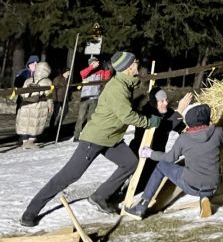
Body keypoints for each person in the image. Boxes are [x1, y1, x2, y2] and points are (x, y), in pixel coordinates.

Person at [21, 51, 162, 227]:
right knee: (68, 176)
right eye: (135, 62)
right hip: (95, 139)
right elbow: (127, 116)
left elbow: (124, 111)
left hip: (111, 138)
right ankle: (30, 213)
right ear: (128, 67)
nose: (138, 64)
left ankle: (100, 197)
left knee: (130, 162)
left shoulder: (126, 84)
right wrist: (149, 122)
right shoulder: (117, 88)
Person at [124, 103, 223, 220]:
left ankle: (141, 207)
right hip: (213, 186)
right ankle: (205, 198)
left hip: (191, 186)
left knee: (161, 166)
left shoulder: (184, 139)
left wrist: (150, 153)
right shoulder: (218, 132)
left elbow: (169, 158)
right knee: (197, 167)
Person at [129, 89, 192, 193]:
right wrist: (179, 111)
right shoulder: (146, 113)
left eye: (166, 100)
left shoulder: (168, 112)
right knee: (139, 187)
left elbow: (181, 128)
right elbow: (162, 129)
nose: (166, 103)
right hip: (141, 155)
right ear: (154, 103)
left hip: (157, 156)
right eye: (162, 101)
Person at [74, 55, 113, 141]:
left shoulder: (100, 72)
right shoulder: (86, 71)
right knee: (81, 118)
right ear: (90, 64)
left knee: (91, 118)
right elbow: (82, 73)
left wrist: (107, 69)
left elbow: (106, 79)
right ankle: (76, 136)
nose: (96, 64)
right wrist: (92, 67)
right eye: (93, 62)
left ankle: (88, 135)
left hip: (95, 97)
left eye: (96, 62)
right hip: (85, 98)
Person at [16, 61, 53, 149]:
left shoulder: (28, 80)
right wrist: (50, 106)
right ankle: (30, 142)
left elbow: (22, 93)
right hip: (38, 105)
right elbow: (49, 95)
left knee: (24, 123)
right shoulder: (47, 81)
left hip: (26, 104)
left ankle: (24, 142)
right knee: (36, 124)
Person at [50, 66, 71, 132]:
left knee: (65, 111)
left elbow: (68, 89)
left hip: (64, 99)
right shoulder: (58, 79)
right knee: (55, 113)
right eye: (68, 72)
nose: (69, 73)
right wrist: (54, 98)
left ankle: (58, 124)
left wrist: (69, 96)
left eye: (69, 72)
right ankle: (51, 127)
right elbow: (53, 89)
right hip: (58, 99)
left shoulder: (68, 79)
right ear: (64, 72)